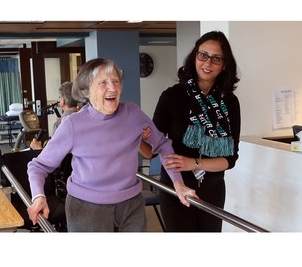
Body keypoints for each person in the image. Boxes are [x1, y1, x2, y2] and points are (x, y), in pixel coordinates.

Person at [27, 58, 197, 232]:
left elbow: (162, 144)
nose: (112, 87)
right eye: (103, 83)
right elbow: (38, 166)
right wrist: (38, 196)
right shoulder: (72, 125)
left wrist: (178, 183)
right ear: (87, 91)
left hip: (131, 206)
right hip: (87, 208)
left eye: (116, 81)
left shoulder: (133, 113)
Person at [145, 31, 241, 232]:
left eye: (216, 59)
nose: (207, 63)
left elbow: (230, 159)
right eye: (203, 55)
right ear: (194, 56)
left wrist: (194, 163)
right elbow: (151, 151)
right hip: (176, 185)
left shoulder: (230, 102)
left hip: (213, 189)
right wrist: (132, 134)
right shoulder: (172, 96)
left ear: (224, 65)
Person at [30, 81, 80, 150]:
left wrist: (38, 149)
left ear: (62, 101)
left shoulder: (60, 124)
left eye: (60, 97)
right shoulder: (85, 117)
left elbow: (55, 154)